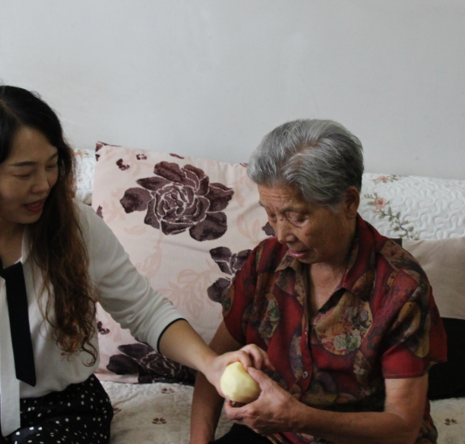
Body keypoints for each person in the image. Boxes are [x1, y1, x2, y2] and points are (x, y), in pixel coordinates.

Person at [0, 85, 264, 444]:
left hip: (64, 411)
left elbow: (144, 310)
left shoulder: (77, 226)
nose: (43, 185)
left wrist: (210, 364)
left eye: (52, 165)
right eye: (23, 173)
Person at [189, 119, 447, 444]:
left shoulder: (401, 288)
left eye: (297, 217)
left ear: (349, 202)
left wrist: (297, 417)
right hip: (272, 434)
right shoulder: (265, 261)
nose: (282, 235)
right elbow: (213, 363)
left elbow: (403, 427)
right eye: (271, 215)